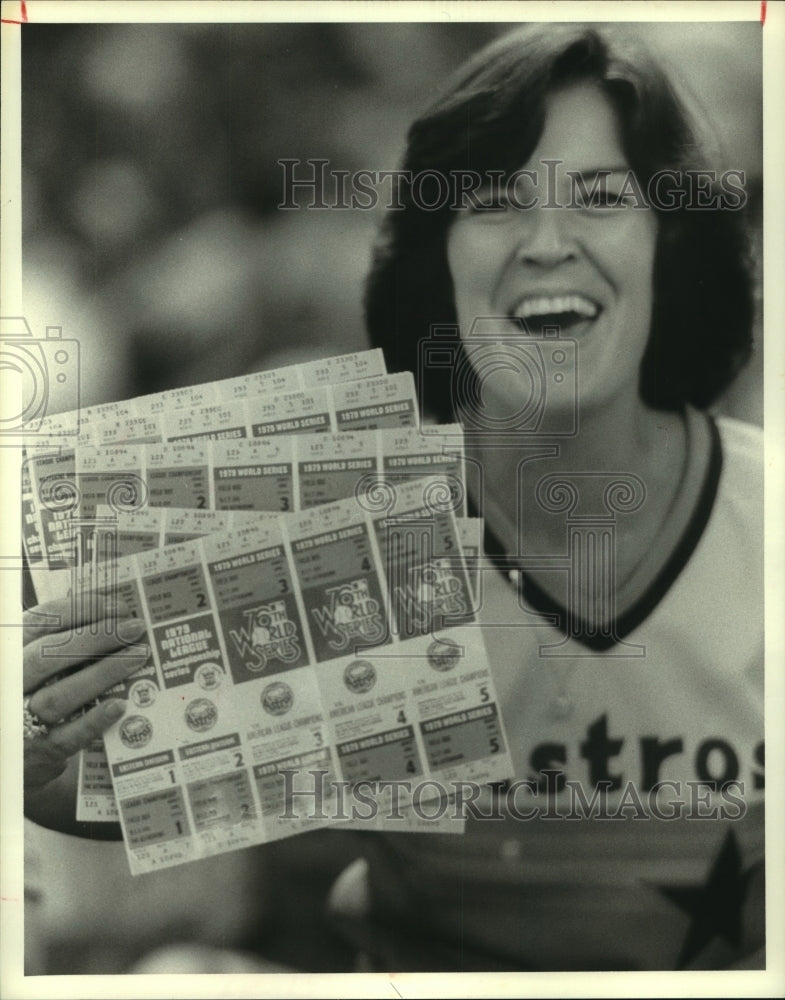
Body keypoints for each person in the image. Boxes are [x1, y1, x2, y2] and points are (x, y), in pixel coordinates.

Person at [22, 23, 764, 972]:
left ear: (673, 244)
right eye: (494, 202)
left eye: (602, 198)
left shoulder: (762, 528)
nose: (547, 243)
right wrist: (32, 744)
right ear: (439, 258)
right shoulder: (370, 529)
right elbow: (99, 781)